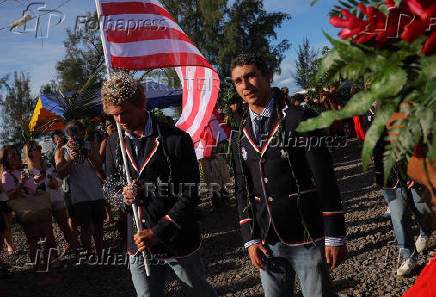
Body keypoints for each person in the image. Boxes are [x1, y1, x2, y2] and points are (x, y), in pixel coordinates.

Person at [230, 53, 347, 297]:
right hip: (266, 239)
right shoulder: (238, 134)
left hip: (307, 234)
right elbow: (242, 188)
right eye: (239, 80)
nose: (245, 85)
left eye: (251, 76)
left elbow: (325, 178)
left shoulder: (300, 118)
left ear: (268, 75)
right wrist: (249, 238)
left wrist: (335, 233)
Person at [101, 72, 217, 297]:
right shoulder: (114, 142)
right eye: (114, 115)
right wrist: (121, 197)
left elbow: (190, 194)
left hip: (178, 239)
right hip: (137, 242)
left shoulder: (175, 139)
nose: (120, 120)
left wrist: (158, 231)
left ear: (141, 103)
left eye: (125, 112)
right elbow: (109, 185)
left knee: (198, 293)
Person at [373, 131, 432, 276]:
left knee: (423, 210)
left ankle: (424, 235)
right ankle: (409, 257)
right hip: (391, 178)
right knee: (398, 218)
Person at [1, 145, 60, 285]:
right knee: (34, 243)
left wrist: (35, 182)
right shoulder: (6, 175)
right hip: (26, 210)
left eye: (17, 154)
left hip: (37, 205)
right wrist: (21, 183)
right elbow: (9, 196)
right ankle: (40, 274)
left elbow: (32, 187)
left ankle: (49, 270)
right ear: (6, 160)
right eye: (12, 155)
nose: (16, 157)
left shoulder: (23, 169)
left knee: (49, 239)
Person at [55, 121, 106, 260]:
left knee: (99, 226)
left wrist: (88, 154)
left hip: (95, 191)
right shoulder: (61, 151)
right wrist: (70, 160)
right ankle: (90, 255)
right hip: (78, 194)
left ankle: (100, 254)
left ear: (82, 133)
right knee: (85, 227)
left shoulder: (91, 145)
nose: (74, 136)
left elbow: (99, 165)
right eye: (71, 133)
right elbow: (60, 174)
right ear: (67, 135)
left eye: (77, 132)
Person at [23, 141, 79, 258]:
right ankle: (54, 258)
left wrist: (56, 182)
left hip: (56, 198)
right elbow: (26, 189)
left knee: (65, 227)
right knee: (47, 232)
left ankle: (77, 251)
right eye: (36, 148)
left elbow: (57, 177)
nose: (39, 149)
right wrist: (35, 181)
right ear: (30, 153)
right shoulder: (27, 170)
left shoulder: (47, 164)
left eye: (39, 147)